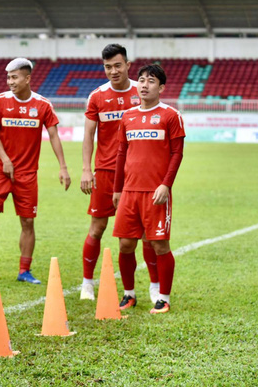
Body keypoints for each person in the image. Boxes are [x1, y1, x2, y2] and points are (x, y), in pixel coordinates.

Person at [0, 58, 71, 284]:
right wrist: (5, 159)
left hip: (27, 174)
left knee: (28, 222)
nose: (10, 82)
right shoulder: (0, 101)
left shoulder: (43, 105)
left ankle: (24, 270)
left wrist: (63, 167)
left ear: (27, 78)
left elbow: (54, 136)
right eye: (8, 77)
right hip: (1, 170)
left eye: (15, 77)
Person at [79, 44, 159, 302]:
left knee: (145, 232)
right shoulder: (97, 96)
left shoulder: (143, 90)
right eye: (107, 67)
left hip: (137, 173)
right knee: (97, 227)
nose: (113, 71)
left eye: (117, 65)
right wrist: (85, 170)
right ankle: (87, 283)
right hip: (104, 170)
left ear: (127, 65)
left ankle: (154, 287)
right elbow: (89, 135)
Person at [113, 64, 185, 314]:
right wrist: (117, 189)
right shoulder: (128, 116)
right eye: (141, 80)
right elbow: (121, 153)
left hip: (156, 193)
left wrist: (166, 184)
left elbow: (177, 153)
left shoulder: (170, 115)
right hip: (130, 192)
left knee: (160, 245)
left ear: (161, 87)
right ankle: (129, 294)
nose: (144, 85)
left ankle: (163, 298)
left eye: (151, 81)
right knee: (125, 245)